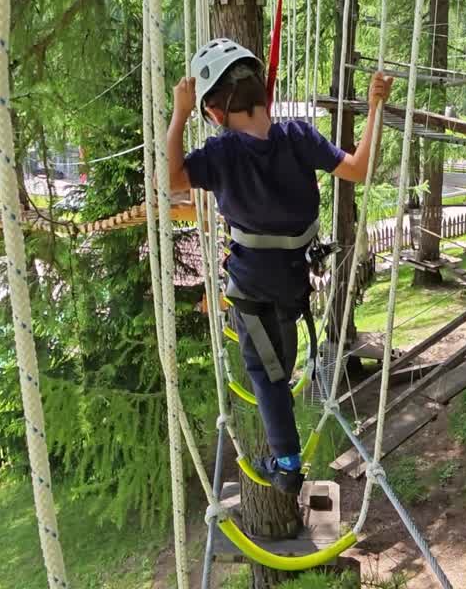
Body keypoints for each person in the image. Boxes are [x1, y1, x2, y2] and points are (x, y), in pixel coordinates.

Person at [167, 38, 392, 494]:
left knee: (264, 372)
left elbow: (169, 179)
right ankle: (286, 437)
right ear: (263, 95)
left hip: (252, 287)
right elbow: (361, 168)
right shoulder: (297, 136)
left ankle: (287, 466)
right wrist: (376, 106)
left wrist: (178, 114)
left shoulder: (221, 153)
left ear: (213, 112)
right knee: (280, 362)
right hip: (296, 280)